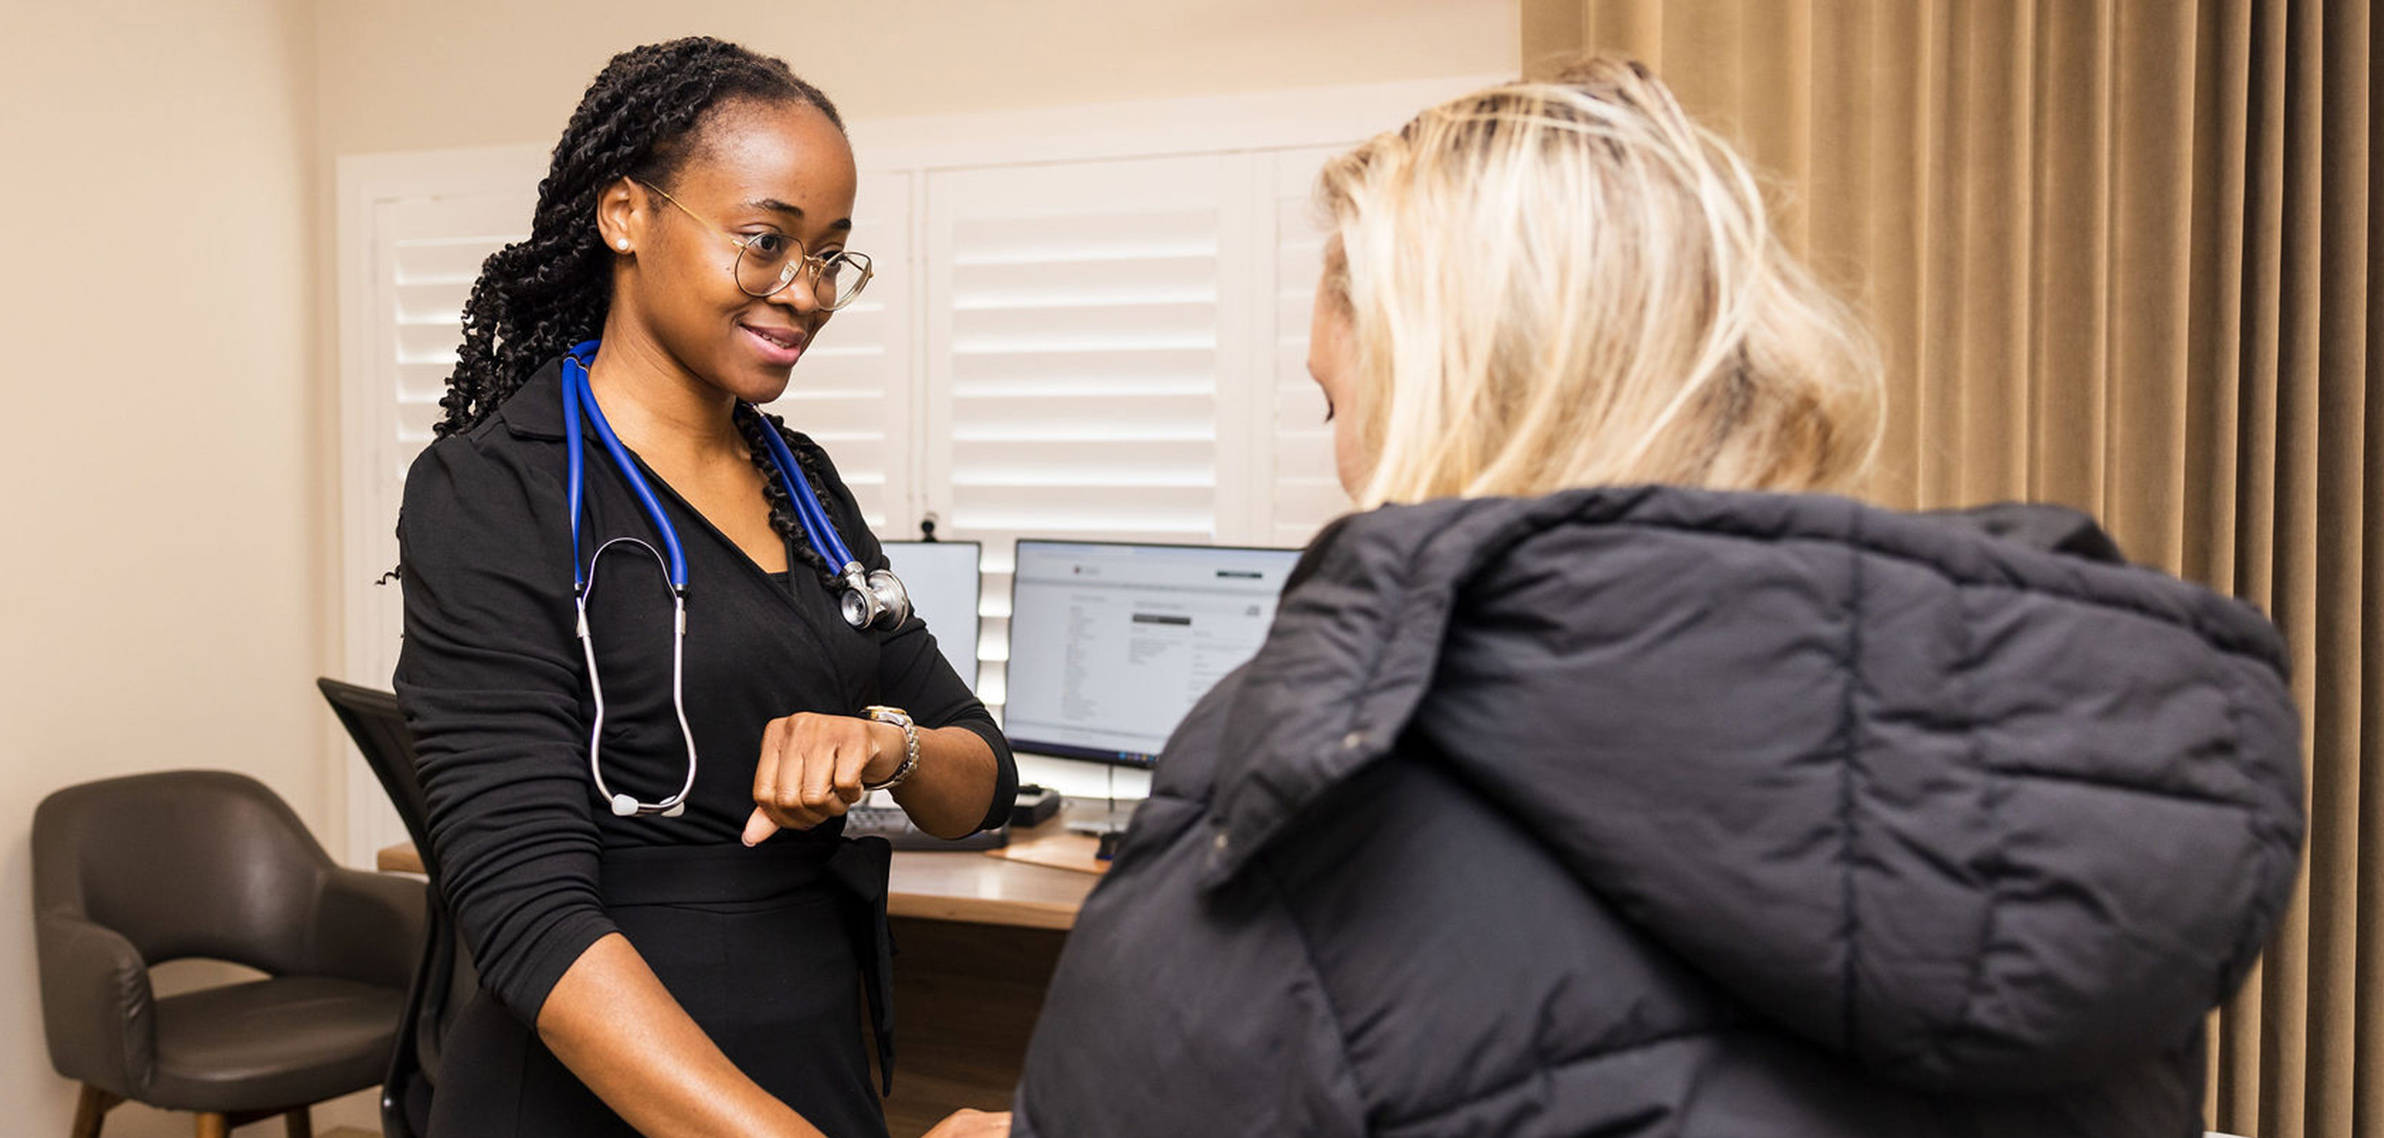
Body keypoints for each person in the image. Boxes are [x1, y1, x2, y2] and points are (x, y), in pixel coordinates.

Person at [1009, 59, 2305, 1137]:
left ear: (1442, 387)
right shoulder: (2067, 754)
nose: (1343, 459)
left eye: (1333, 400)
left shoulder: (1311, 782)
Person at [394, 37, 1016, 1138]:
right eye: (766, 242)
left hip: (808, 1061)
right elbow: (528, 916)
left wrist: (886, 746)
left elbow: (981, 779)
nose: (806, 292)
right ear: (625, 214)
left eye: (831, 255)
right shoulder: (494, 488)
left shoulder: (802, 482)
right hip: (598, 1085)